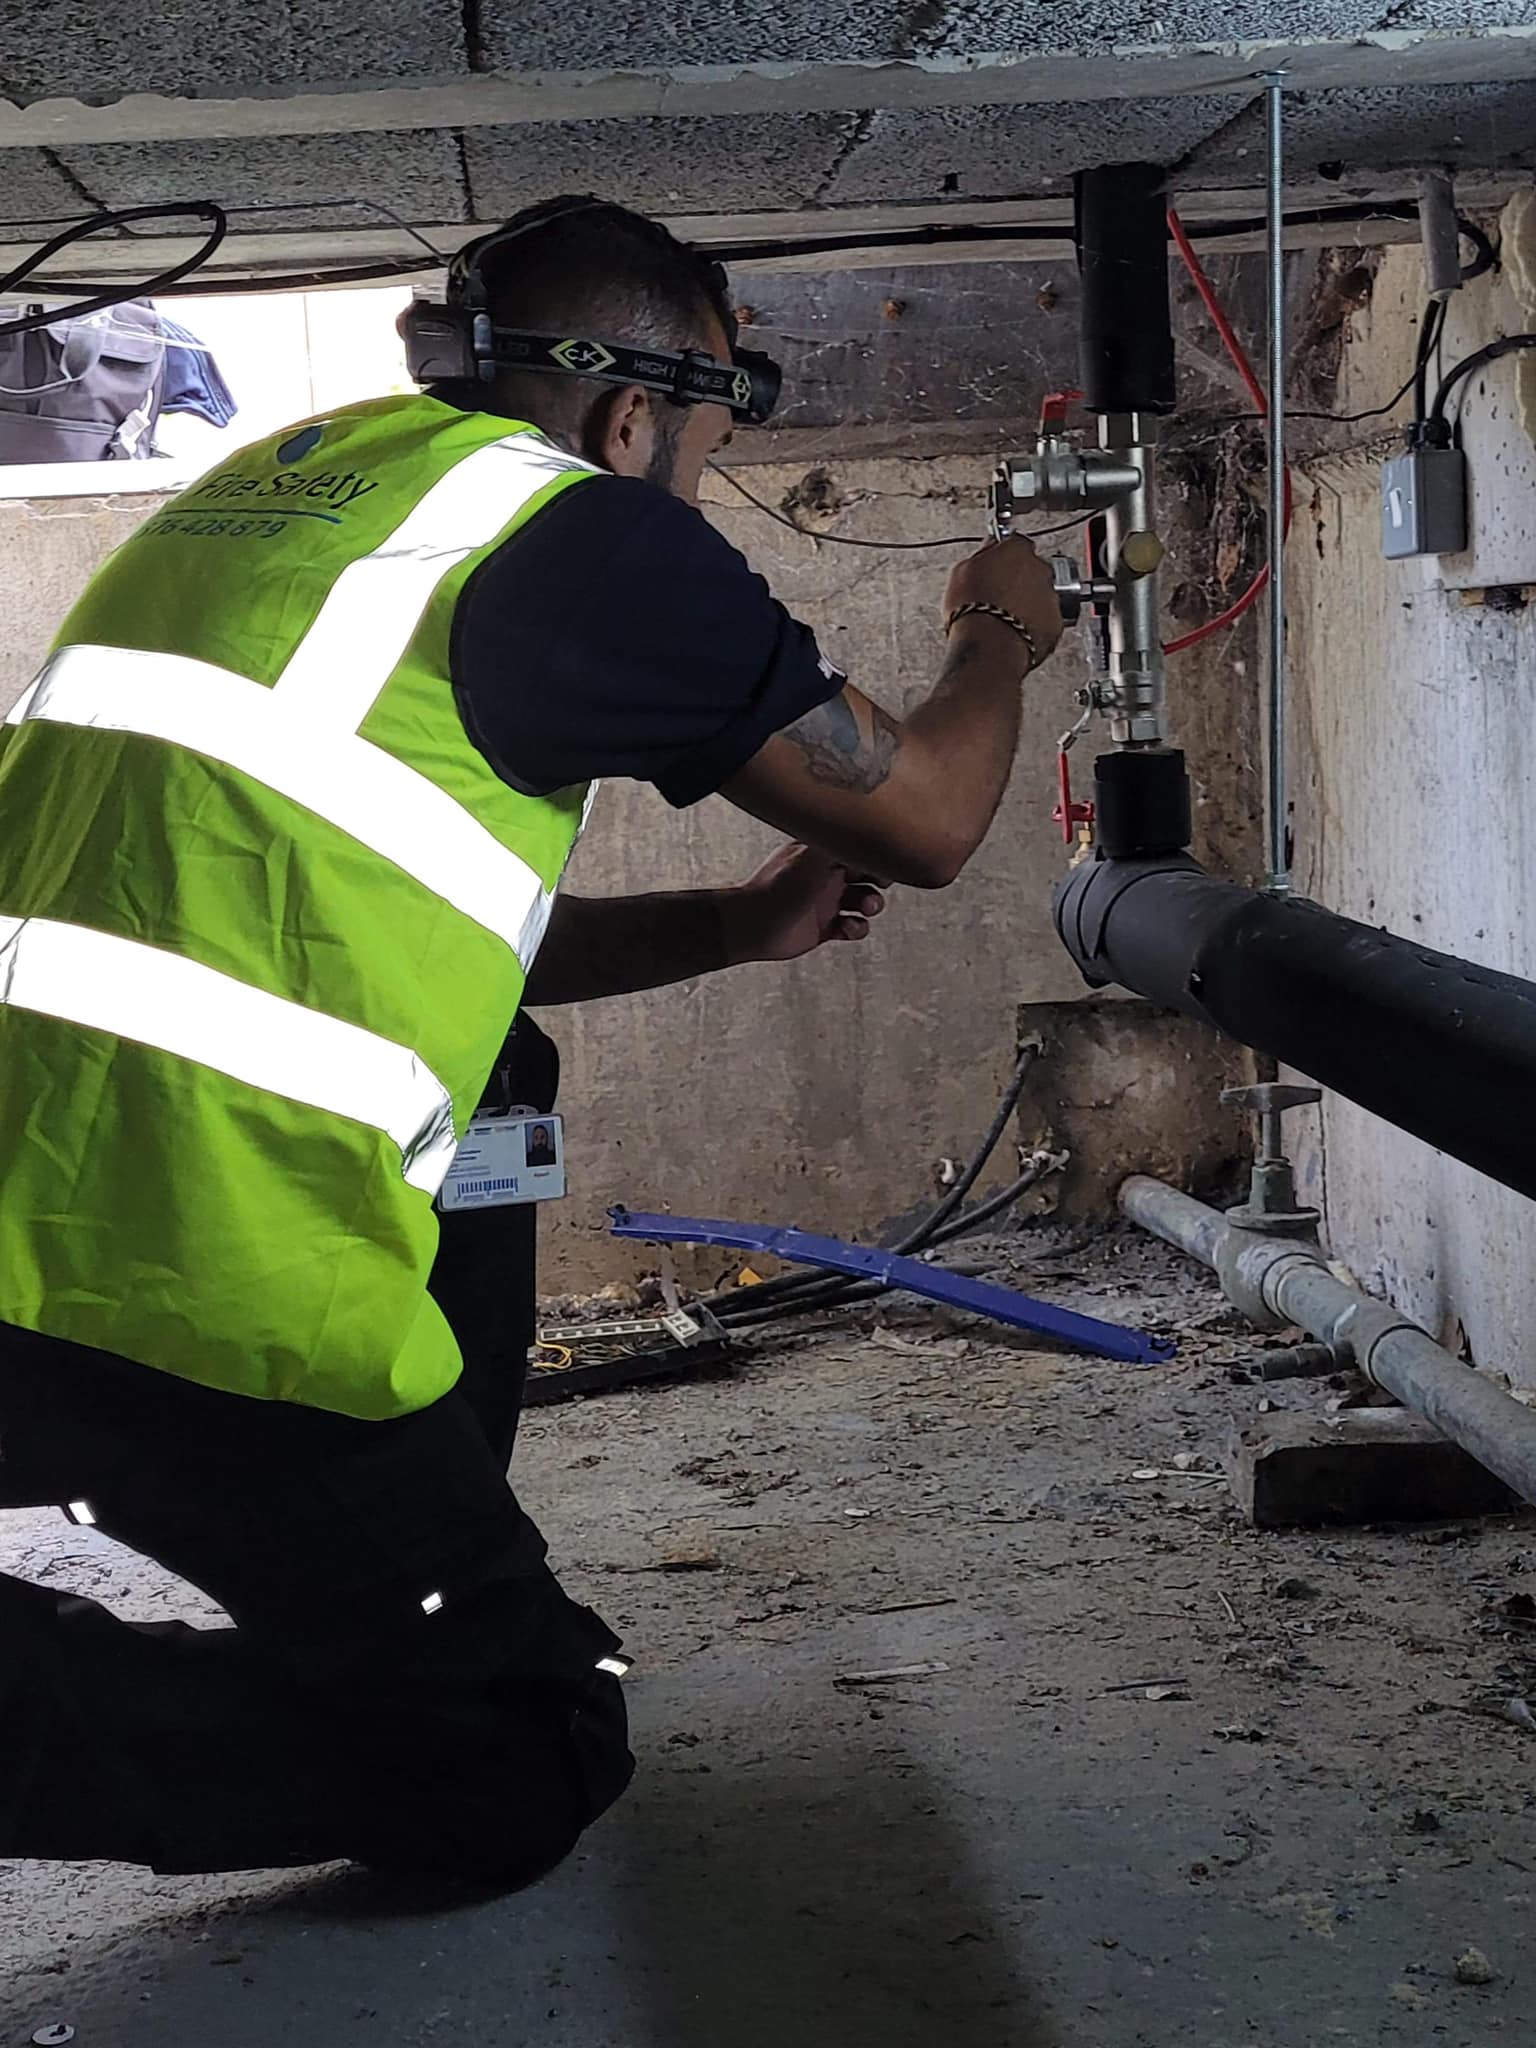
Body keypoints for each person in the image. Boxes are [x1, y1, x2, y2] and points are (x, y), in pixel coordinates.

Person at [0, 196, 1064, 1886]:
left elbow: (317, 936)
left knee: (499, 1076)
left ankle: (382, 1600)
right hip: (183, 1275)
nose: (699, 480)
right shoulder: (580, 531)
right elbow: (924, 816)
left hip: (26, 1219)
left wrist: (725, 925)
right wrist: (997, 629)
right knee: (516, 1762)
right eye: (708, 437)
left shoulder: (284, 491)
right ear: (632, 415)